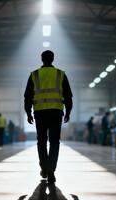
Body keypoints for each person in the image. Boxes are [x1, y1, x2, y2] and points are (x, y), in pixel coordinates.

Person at [24, 50, 73, 184]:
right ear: (53, 59)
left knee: (41, 141)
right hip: (56, 112)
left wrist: (28, 113)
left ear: (41, 59)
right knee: (54, 141)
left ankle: (44, 168)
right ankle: (51, 168)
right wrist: (68, 112)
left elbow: (27, 96)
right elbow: (68, 95)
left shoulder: (34, 75)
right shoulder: (60, 74)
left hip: (39, 113)